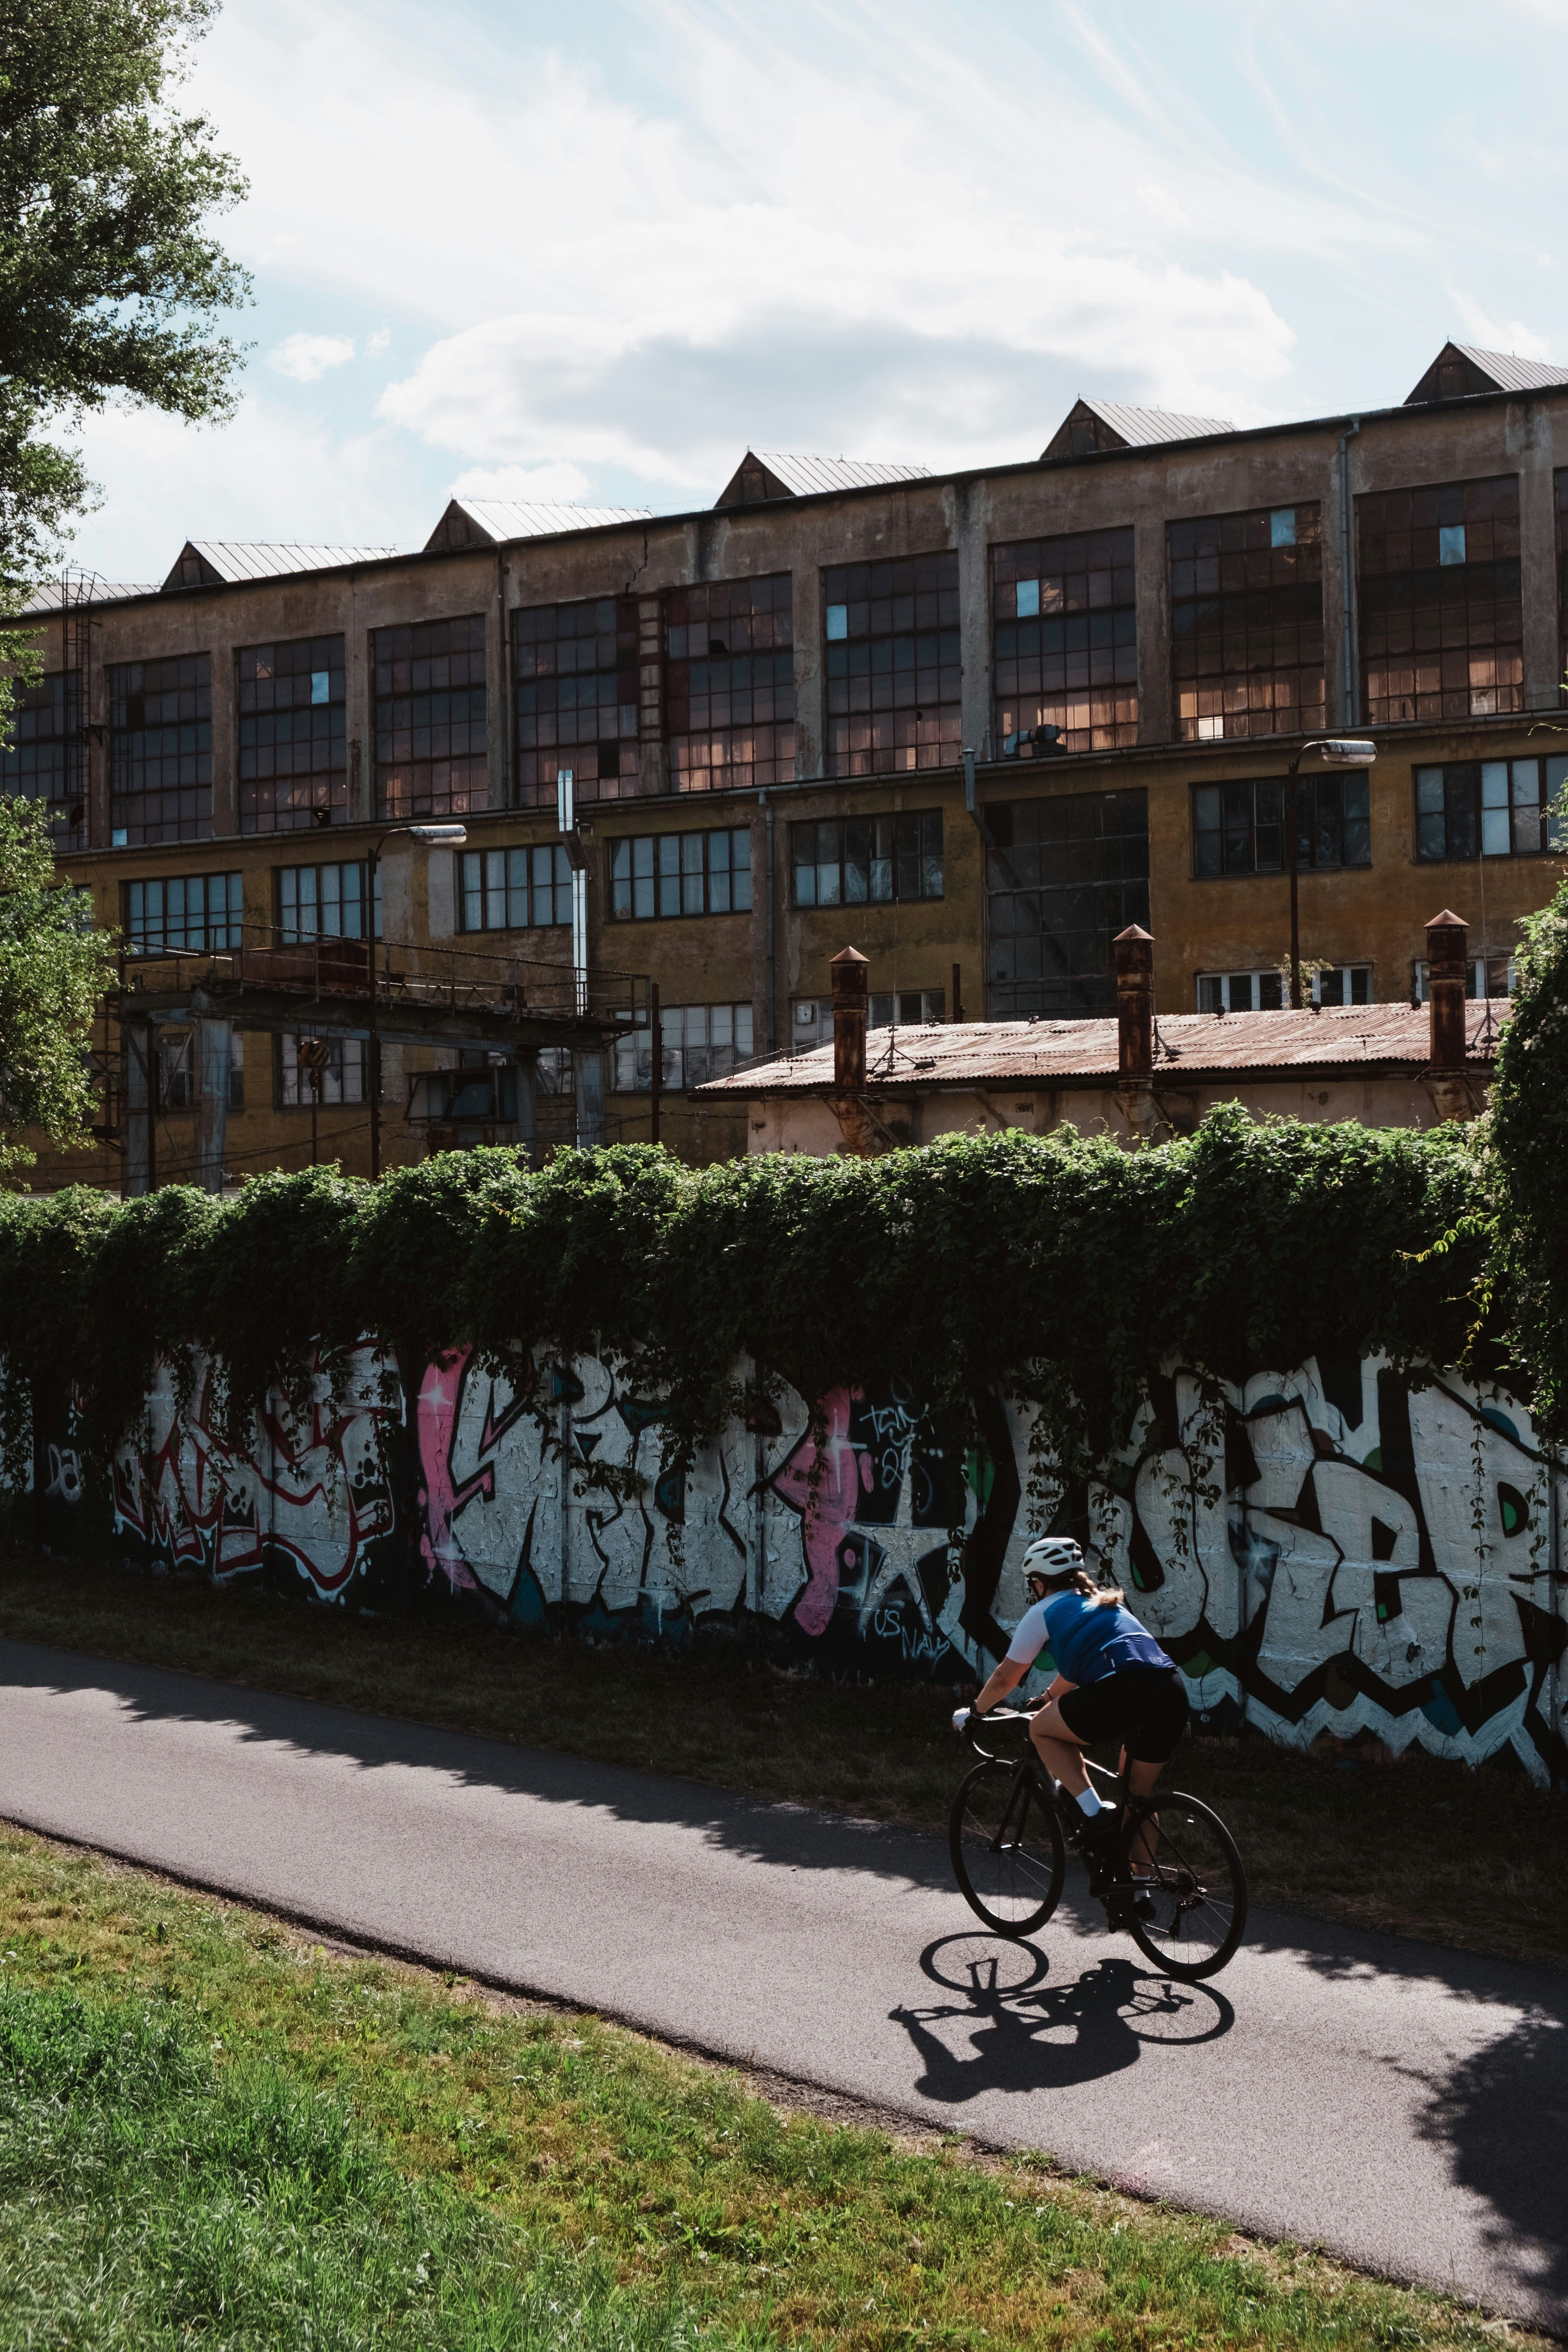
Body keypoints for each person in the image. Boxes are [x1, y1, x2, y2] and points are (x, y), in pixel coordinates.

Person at [952, 1535, 1188, 1854]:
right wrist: (1049, 1699)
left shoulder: (1044, 1612)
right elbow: (1085, 1665)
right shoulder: (1104, 1604)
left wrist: (976, 1713)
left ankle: (1094, 1814)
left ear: (1037, 1583)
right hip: (1170, 1689)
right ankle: (1139, 1891)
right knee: (1137, 1798)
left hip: (1123, 1689)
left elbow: (1007, 1676)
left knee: (1041, 1730)